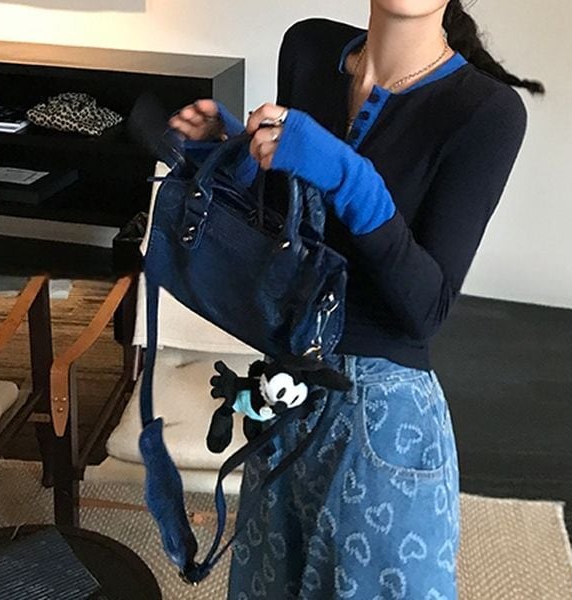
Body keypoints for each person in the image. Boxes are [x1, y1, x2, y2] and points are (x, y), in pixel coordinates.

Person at [168, 1, 545, 598]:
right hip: (284, 394)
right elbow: (292, 229)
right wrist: (233, 154)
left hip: (381, 420)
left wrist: (350, 176)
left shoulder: (487, 111)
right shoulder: (309, 48)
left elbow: (426, 310)